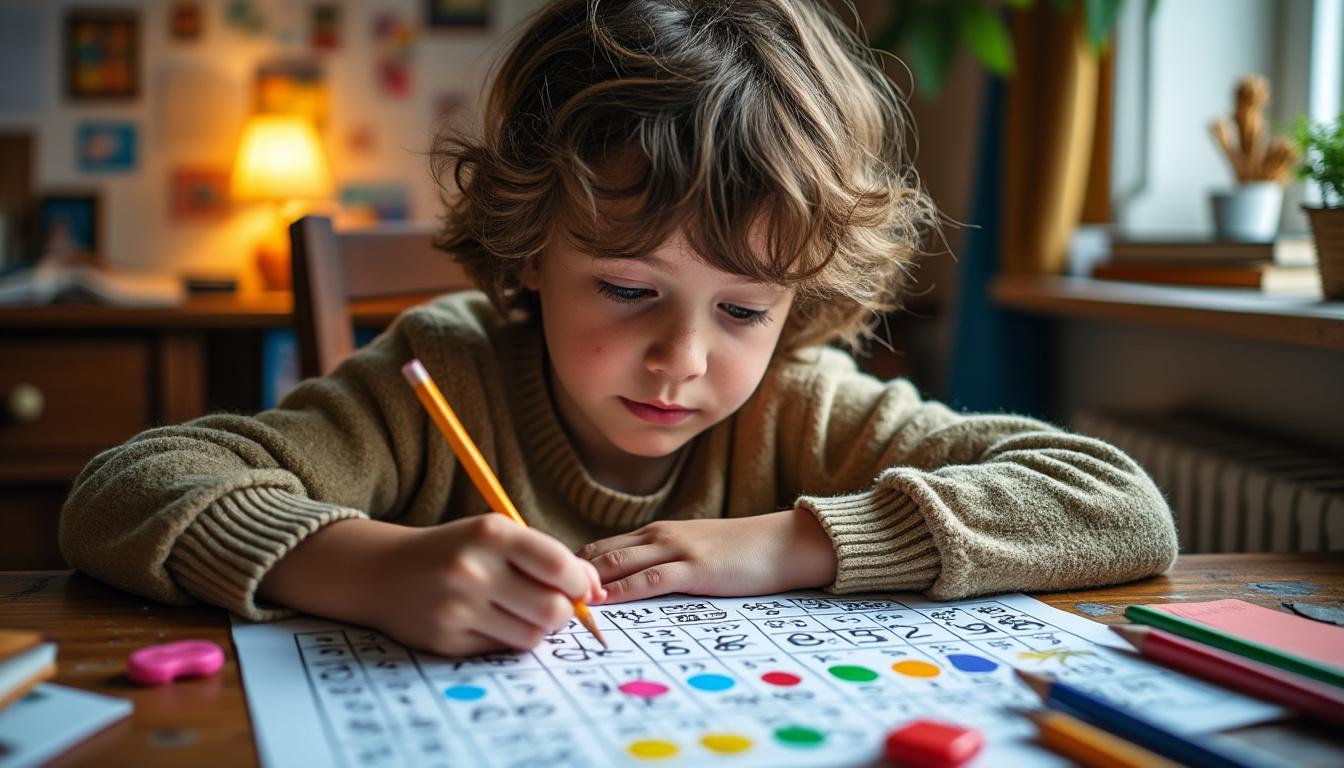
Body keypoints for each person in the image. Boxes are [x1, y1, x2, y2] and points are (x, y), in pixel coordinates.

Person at [61, 0, 1177, 658]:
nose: (685, 360)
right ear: (532, 253)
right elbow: (125, 488)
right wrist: (366, 569)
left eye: (744, 309)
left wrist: (792, 542)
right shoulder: (437, 369)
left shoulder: (803, 402)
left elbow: (1116, 505)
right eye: (631, 290)